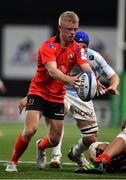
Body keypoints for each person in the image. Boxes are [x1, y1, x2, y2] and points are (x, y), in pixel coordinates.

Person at [5, 11, 93, 172]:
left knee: (53, 140)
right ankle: (13, 162)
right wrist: (71, 80)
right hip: (39, 91)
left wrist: (94, 81)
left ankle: (41, 146)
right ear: (60, 27)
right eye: (69, 29)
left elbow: (86, 68)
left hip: (58, 96)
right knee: (30, 129)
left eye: (75, 29)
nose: (72, 32)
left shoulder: (77, 48)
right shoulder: (48, 46)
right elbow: (52, 71)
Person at [18, 31, 120, 169]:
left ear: (87, 47)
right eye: (78, 45)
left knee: (91, 138)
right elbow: (45, 79)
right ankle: (56, 155)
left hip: (82, 97)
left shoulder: (93, 57)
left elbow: (113, 76)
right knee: (60, 111)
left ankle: (75, 153)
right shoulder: (62, 53)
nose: (80, 49)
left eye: (83, 46)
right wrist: (29, 97)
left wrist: (113, 86)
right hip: (61, 92)